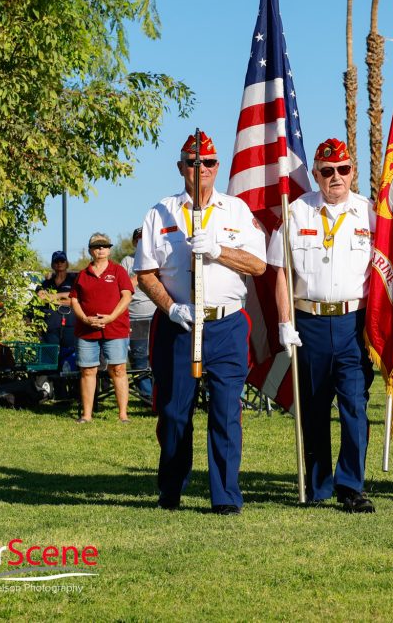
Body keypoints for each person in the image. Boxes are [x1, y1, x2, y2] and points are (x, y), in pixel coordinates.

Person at [134, 132, 266, 515]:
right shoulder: (160, 212)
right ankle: (171, 488)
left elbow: (258, 265)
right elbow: (146, 273)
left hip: (225, 326)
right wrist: (172, 308)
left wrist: (219, 250)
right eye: (193, 163)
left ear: (217, 167)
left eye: (208, 163)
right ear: (181, 168)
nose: (201, 169)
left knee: (226, 413)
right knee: (175, 412)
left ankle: (225, 497)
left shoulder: (236, 211)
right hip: (180, 325)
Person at [270, 138, 376, 513]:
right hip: (309, 321)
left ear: (354, 172)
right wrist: (285, 322)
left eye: (343, 170)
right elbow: (281, 271)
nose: (336, 177)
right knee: (314, 408)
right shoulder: (296, 212)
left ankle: (351, 486)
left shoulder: (371, 214)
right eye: (327, 171)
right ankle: (318, 485)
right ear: (315, 174)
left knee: (354, 405)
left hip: (353, 322)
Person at [69, 232, 133, 423]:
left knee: (118, 369)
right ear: (90, 250)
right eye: (97, 246)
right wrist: (85, 319)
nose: (101, 249)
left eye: (104, 246)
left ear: (109, 249)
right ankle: (87, 415)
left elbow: (127, 295)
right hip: (86, 330)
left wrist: (111, 317)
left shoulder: (118, 271)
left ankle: (123, 415)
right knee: (88, 371)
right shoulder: (82, 275)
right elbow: (74, 299)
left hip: (115, 329)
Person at [121, 228, 155, 403]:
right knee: (139, 357)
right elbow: (124, 288)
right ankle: (146, 396)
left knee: (158, 358)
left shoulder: (157, 258)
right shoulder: (128, 261)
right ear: (134, 242)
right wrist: (141, 276)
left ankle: (159, 395)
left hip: (158, 316)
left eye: (145, 238)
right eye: (138, 239)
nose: (142, 242)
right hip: (136, 318)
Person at [36, 250, 77, 372]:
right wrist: (64, 297)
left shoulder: (74, 280)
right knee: (50, 363)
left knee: (70, 364)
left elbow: (75, 299)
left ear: (67, 263)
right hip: (50, 328)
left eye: (62, 260)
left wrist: (53, 297)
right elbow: (40, 298)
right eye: (56, 261)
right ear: (52, 264)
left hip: (70, 327)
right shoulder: (46, 282)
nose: (59, 263)